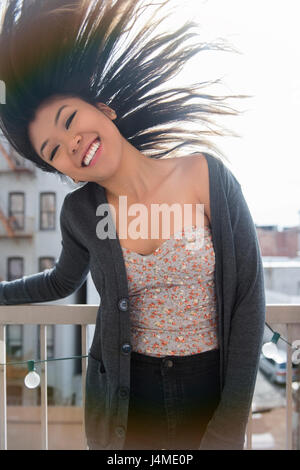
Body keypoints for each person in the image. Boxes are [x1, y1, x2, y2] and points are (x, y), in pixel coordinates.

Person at [0, 0, 265, 450]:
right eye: (55, 149)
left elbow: (248, 301)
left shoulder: (206, 175)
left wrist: (228, 424)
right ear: (68, 172)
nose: (72, 142)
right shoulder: (80, 213)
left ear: (105, 110)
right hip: (125, 396)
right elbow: (61, 280)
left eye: (70, 120)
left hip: (208, 387)